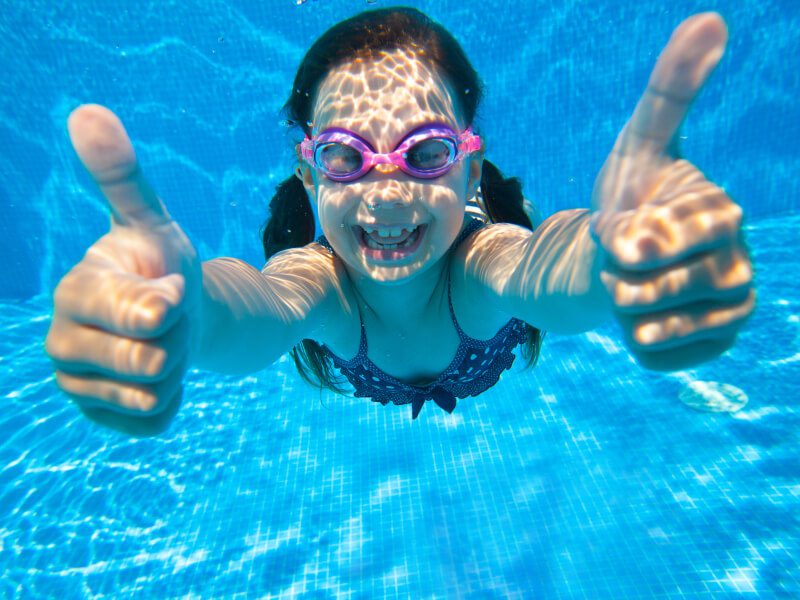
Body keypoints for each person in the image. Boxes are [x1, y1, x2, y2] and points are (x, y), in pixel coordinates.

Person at [45, 8, 754, 436]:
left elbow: (544, 268)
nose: (384, 195)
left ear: (469, 169)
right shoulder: (321, 286)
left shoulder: (482, 267)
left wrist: (614, 254)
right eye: (345, 157)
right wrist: (186, 309)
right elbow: (255, 305)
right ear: (309, 175)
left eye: (426, 152)